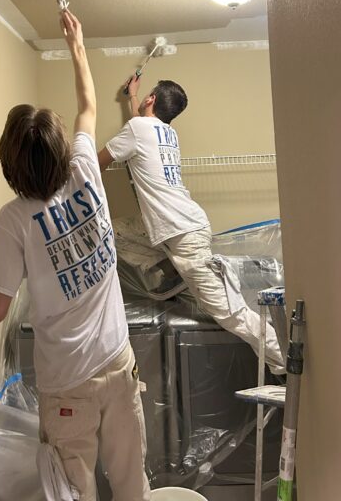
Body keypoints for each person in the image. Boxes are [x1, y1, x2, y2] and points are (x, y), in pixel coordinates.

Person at [0, 10, 150, 501]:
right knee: (132, 486)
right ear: (60, 151)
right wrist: (76, 42)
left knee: (71, 495)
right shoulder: (84, 170)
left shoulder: (14, 221)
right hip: (119, 364)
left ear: (9, 168)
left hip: (68, 386)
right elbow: (88, 104)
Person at [98, 74, 284, 373]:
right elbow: (137, 125)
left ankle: (284, 358)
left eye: (145, 95)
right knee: (111, 231)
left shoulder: (138, 129)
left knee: (228, 313)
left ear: (151, 100)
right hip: (177, 226)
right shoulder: (166, 133)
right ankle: (172, 269)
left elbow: (96, 163)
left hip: (183, 233)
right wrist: (132, 97)